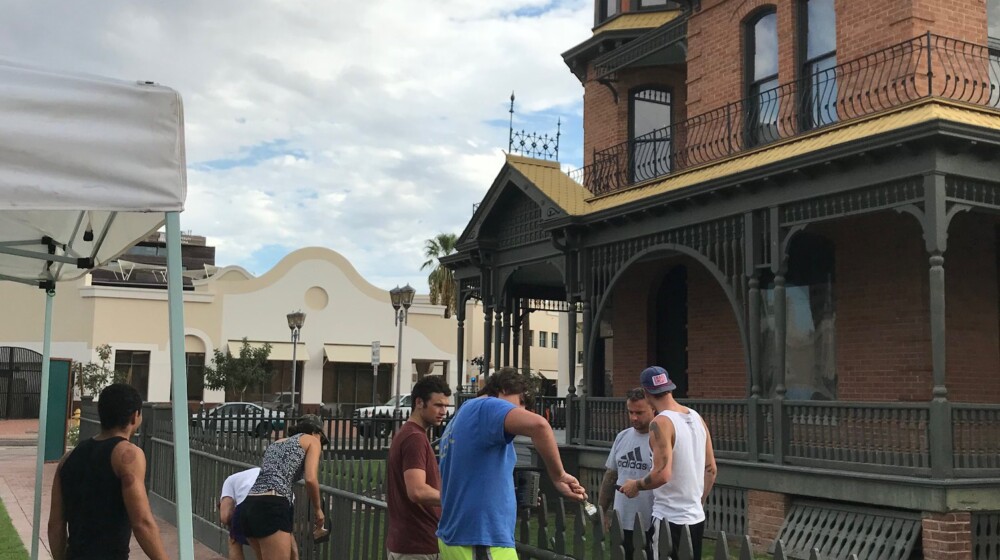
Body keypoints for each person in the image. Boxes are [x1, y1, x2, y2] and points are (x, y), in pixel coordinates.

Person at [437, 367, 587, 560]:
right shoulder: (487, 406)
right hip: (481, 541)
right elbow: (540, 426)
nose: (522, 410)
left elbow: (468, 479)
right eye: (521, 402)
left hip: (457, 538)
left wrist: (509, 496)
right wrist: (559, 476)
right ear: (505, 389)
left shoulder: (460, 418)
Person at [48, 383, 169, 560]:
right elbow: (142, 523)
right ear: (135, 416)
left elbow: (56, 525)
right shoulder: (128, 455)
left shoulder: (68, 458)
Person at [620, 366, 718, 560]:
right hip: (696, 518)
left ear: (646, 392)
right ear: (670, 388)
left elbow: (663, 474)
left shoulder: (660, 423)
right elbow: (711, 469)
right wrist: (698, 501)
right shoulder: (696, 417)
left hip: (668, 518)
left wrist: (636, 485)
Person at [240, 414, 329, 560]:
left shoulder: (277, 443)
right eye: (322, 438)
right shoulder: (312, 440)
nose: (321, 443)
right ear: (315, 432)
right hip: (272, 504)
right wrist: (318, 509)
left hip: (249, 505)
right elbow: (311, 479)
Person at [386, 375, 452, 560]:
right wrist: (455, 500)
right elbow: (417, 491)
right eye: (438, 405)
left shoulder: (409, 434)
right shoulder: (414, 438)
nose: (444, 411)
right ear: (419, 402)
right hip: (416, 545)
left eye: (446, 406)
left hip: (410, 542)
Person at [598, 388, 655, 558]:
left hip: (650, 522)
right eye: (630, 412)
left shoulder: (660, 440)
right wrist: (602, 511)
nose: (634, 417)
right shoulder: (622, 436)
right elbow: (611, 475)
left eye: (639, 412)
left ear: (653, 408)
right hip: (621, 519)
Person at [220, 467, 300, 560]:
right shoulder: (280, 481)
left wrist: (234, 528)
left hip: (247, 502)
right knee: (286, 536)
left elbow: (225, 516)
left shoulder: (230, 480)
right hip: (278, 500)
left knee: (234, 540)